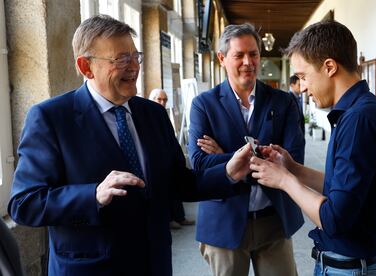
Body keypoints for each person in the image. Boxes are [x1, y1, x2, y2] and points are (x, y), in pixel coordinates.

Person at [7, 15, 252, 276]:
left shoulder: (153, 114)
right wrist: (93, 196)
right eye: (121, 59)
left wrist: (228, 172)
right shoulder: (51, 118)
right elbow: (24, 203)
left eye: (136, 57)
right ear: (86, 67)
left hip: (154, 264)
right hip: (91, 269)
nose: (134, 67)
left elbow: (178, 182)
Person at [250, 20, 376, 275]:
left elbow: (334, 219)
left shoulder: (359, 119)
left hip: (351, 268)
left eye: (303, 76)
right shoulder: (362, 111)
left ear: (329, 66)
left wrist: (284, 180)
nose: (303, 87)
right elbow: (344, 189)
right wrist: (293, 169)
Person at [188, 23, 305, 276]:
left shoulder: (283, 102)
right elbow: (198, 163)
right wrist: (257, 158)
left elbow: (292, 159)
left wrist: (224, 158)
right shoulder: (203, 105)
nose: (248, 62)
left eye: (253, 54)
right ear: (222, 58)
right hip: (224, 220)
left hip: (273, 218)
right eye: (239, 55)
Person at [148, 88, 195, 229]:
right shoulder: (146, 113)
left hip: (168, 157)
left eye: (165, 100)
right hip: (155, 160)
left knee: (176, 184)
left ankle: (180, 217)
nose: (162, 102)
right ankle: (169, 219)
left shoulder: (162, 113)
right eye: (159, 99)